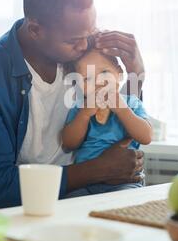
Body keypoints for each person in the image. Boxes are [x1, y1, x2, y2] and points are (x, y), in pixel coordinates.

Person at [0, 0, 146, 208]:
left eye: (91, 32)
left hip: (74, 205)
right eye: (74, 40)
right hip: (4, 218)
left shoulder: (82, 55)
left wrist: (136, 73)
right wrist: (95, 170)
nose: (85, 44)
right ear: (35, 29)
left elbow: (114, 121)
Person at [61, 49, 152, 197]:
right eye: (87, 79)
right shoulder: (79, 107)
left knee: (126, 202)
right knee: (69, 202)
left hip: (125, 182)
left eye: (104, 72)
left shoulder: (130, 102)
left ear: (119, 74)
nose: (98, 82)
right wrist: (84, 115)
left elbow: (146, 136)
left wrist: (123, 110)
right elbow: (69, 143)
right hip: (86, 183)